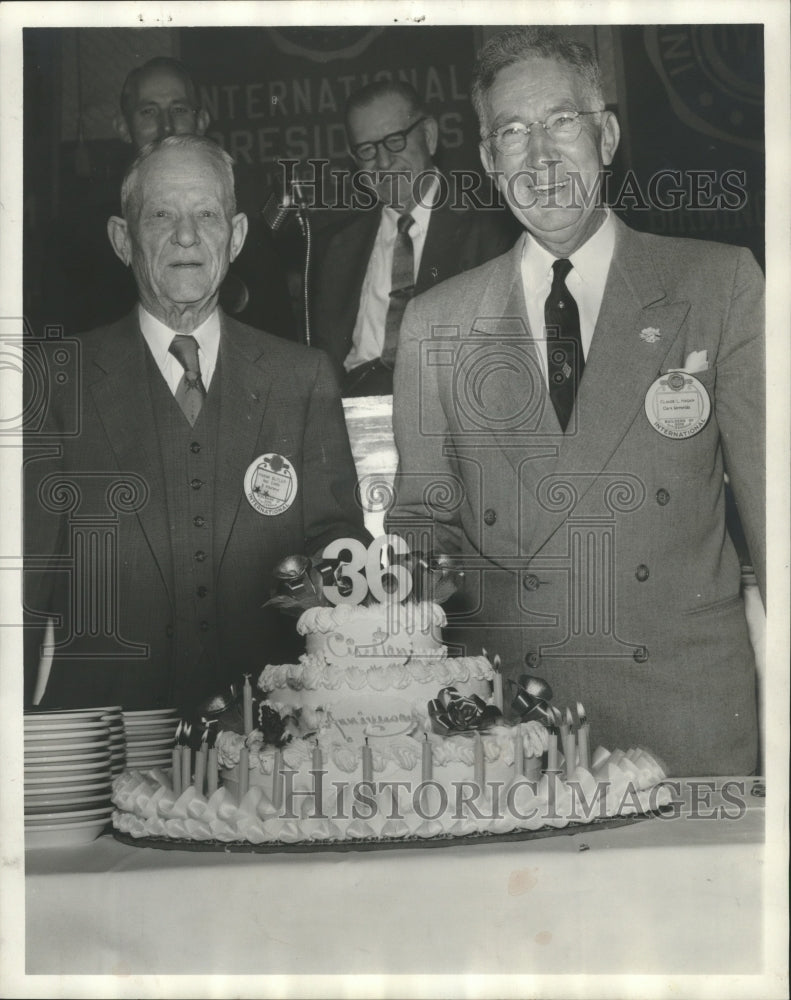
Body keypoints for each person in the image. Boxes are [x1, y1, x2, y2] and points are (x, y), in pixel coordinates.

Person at [386, 28, 765, 776]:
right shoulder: (436, 321)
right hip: (509, 729)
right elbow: (421, 516)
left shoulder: (717, 285)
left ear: (607, 136)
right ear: (489, 162)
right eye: (512, 133)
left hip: (684, 716)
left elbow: (775, 511)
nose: (540, 156)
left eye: (561, 122)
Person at [24, 135, 367, 713]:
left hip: (269, 743)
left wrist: (342, 579)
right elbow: (22, 587)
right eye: (161, 214)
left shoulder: (301, 378)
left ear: (234, 237)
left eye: (206, 214)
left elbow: (337, 538)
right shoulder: (55, 381)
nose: (186, 235)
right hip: (103, 744)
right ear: (121, 239)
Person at [51, 57, 296, 339]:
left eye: (178, 109)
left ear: (202, 120)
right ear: (122, 127)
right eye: (148, 112)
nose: (166, 126)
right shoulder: (82, 239)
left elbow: (278, 353)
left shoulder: (246, 230)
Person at [311, 80, 517, 396]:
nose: (382, 163)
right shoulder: (334, 247)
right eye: (367, 150)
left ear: (430, 136)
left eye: (394, 141)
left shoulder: (490, 231)